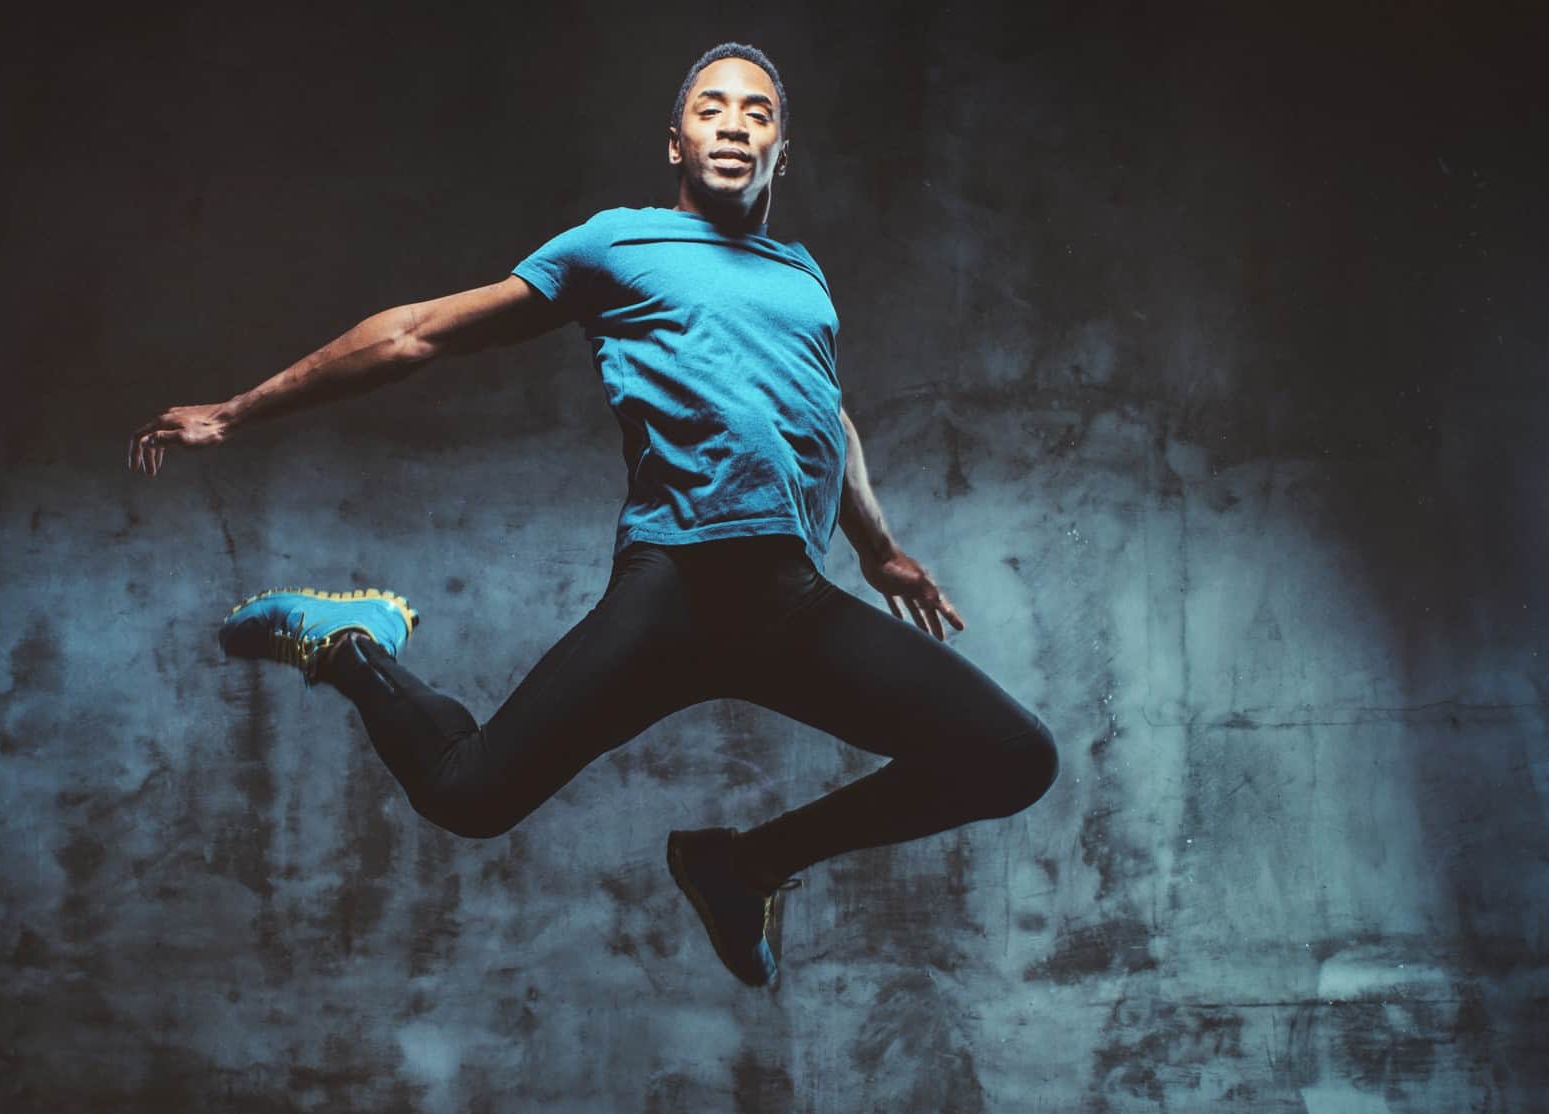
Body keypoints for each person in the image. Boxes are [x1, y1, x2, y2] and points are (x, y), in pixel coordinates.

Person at [126, 42, 1058, 988]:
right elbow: (415, 333)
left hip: (790, 601)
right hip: (676, 590)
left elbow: (828, 409)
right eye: (711, 108)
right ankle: (352, 645)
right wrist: (236, 411)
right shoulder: (617, 243)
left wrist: (881, 549)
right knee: (469, 795)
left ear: (785, 149)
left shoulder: (802, 275)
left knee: (1011, 758)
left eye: (758, 112)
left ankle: (742, 865)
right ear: (675, 141)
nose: (734, 123)